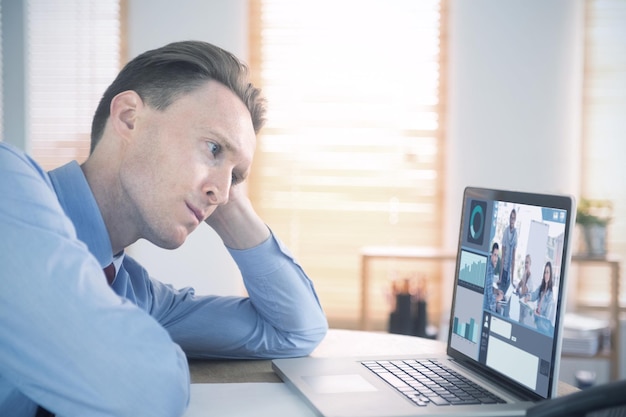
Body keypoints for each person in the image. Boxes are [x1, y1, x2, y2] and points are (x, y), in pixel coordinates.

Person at [0, 41, 328, 417]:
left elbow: (295, 332)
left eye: (235, 178)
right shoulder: (6, 184)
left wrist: (229, 195)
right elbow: (144, 394)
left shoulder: (136, 295)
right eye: (214, 149)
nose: (220, 193)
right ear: (128, 118)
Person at [525, 261, 556, 335]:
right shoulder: (541, 287)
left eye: (548, 272)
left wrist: (539, 315)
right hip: (536, 320)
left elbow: (547, 317)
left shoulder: (550, 295)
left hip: (543, 326)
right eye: (545, 272)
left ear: (550, 274)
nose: (546, 275)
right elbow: (534, 295)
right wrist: (528, 297)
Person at [499, 208, 517, 294]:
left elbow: (513, 260)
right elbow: (502, 257)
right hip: (504, 272)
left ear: (515, 220)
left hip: (509, 275)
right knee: (500, 295)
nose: (512, 220)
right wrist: (500, 276)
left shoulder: (515, 234)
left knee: (507, 298)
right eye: (511, 217)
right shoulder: (506, 232)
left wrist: (512, 281)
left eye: (513, 218)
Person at [483, 242, 503, 313]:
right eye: (495, 255)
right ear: (491, 254)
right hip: (485, 307)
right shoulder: (489, 269)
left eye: (497, 256)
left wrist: (496, 291)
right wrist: (498, 298)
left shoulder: (489, 265)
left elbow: (488, 288)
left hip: (485, 304)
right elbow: (490, 299)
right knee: (500, 310)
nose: (496, 258)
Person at [516, 254, 534, 325]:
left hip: (526, 310)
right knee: (519, 320)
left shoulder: (530, 278)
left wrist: (524, 275)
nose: (526, 264)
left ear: (530, 264)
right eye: (525, 262)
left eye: (527, 262)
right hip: (522, 306)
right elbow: (520, 283)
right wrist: (517, 287)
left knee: (522, 322)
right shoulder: (525, 274)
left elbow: (523, 291)